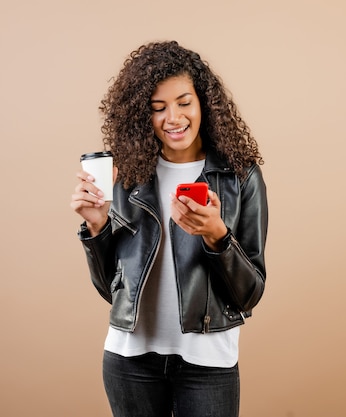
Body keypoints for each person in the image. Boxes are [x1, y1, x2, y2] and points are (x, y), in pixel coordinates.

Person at [71, 40, 268, 417]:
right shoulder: (126, 175)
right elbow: (111, 291)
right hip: (129, 361)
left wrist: (217, 236)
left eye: (183, 102)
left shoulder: (239, 177)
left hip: (208, 363)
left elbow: (250, 293)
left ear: (204, 104)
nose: (173, 118)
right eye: (158, 108)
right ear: (142, 116)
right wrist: (96, 228)